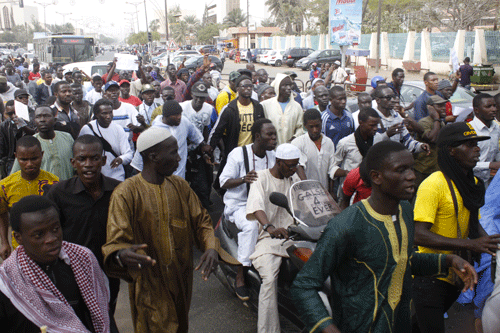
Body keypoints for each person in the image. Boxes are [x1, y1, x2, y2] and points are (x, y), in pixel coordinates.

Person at [290, 140, 477, 333]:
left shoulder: (404, 210)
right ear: (376, 177)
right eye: (401, 170)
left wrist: (449, 260)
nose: (412, 176)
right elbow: (304, 285)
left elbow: (400, 261)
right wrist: (328, 328)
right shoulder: (346, 226)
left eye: (412, 168)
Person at [102, 126, 238, 332]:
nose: (179, 157)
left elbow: (201, 221)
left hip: (181, 279)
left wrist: (211, 247)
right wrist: (121, 254)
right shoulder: (126, 193)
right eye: (173, 152)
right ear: (153, 156)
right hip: (149, 282)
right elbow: (116, 239)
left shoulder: (180, 186)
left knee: (179, 324)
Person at [413, 122, 500, 333]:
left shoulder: (471, 183)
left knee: (418, 327)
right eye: (469, 145)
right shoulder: (434, 184)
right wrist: (470, 244)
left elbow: (473, 221)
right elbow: (418, 235)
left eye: (476, 144)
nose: (477, 149)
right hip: (431, 278)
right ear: (451, 150)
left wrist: (491, 244)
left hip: (456, 276)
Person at [0, 195, 116, 332]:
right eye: (39, 235)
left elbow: (102, 315)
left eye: (55, 229)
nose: (51, 239)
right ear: (18, 238)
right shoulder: (8, 282)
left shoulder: (84, 260)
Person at [46, 135, 121, 316]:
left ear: (103, 160)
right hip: (72, 272)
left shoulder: (119, 191)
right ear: (73, 162)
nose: (88, 164)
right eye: (82, 159)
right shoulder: (59, 193)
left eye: (94, 158)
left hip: (109, 271)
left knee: (106, 315)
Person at [246, 143, 302, 333]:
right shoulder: (260, 178)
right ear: (278, 162)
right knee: (269, 278)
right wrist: (269, 227)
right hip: (268, 239)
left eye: (296, 165)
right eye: (290, 165)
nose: (294, 169)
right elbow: (256, 206)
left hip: (294, 237)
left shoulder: (292, 178)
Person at [220, 118, 277, 301]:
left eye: (275, 134)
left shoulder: (272, 156)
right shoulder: (238, 154)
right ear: (258, 136)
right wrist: (244, 179)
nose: (274, 138)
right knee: (252, 227)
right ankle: (241, 274)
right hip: (240, 204)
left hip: (263, 205)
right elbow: (223, 182)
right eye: (270, 135)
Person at [0, 136, 59, 259]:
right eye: (23, 159)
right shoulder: (5, 186)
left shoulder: (55, 183)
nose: (30, 164)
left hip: (49, 248)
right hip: (20, 249)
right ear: (16, 157)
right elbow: (2, 213)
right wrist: (4, 242)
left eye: (34, 158)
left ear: (42, 155)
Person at [208, 75, 265, 191]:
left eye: (250, 86)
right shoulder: (230, 108)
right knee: (230, 182)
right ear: (238, 89)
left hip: (252, 152)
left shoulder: (258, 107)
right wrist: (209, 150)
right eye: (244, 86)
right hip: (235, 151)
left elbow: (263, 128)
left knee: (252, 182)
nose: (248, 89)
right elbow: (217, 131)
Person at [130, 100, 207, 179]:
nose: (179, 117)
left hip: (179, 180)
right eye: (176, 115)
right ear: (166, 116)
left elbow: (197, 137)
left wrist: (204, 146)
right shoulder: (152, 133)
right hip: (159, 183)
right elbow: (138, 165)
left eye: (180, 114)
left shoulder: (184, 122)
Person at [331, 108, 385, 198]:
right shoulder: (345, 143)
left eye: (376, 125)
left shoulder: (378, 138)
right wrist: (347, 174)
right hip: (351, 193)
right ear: (361, 122)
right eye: (372, 125)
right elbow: (333, 167)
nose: (375, 128)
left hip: (372, 191)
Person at [10, 106, 74, 181]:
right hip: (41, 190)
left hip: (67, 189)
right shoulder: (30, 143)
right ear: (34, 121)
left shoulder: (67, 137)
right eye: (38, 117)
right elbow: (15, 174)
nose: (42, 120)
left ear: (55, 120)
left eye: (46, 116)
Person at [79, 99, 133, 182]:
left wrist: (121, 159)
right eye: (104, 113)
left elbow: (128, 154)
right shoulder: (87, 129)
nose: (108, 116)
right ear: (96, 114)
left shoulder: (118, 129)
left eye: (110, 112)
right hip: (95, 177)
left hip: (116, 176)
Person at [374, 86, 430, 154]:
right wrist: (387, 135)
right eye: (388, 97)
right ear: (378, 100)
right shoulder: (372, 118)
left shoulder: (397, 117)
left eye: (393, 97)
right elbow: (368, 145)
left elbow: (407, 142)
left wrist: (421, 146)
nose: (392, 100)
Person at [291, 109, 335, 190]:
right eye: (311, 127)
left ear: (321, 123)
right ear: (305, 125)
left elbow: (331, 169)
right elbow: (299, 166)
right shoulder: (297, 143)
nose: (315, 130)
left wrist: (331, 191)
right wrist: (309, 189)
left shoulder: (329, 142)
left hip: (324, 190)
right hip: (305, 191)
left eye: (317, 126)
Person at [413, 94, 449, 189]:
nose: (443, 108)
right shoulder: (424, 122)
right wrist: (436, 118)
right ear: (430, 108)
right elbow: (432, 139)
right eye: (439, 106)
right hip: (423, 169)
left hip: (436, 168)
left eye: (443, 105)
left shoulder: (440, 122)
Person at [262, 73, 304, 145]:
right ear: (278, 87)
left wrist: (295, 137)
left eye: (290, 85)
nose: (288, 88)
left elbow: (300, 127)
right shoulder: (265, 105)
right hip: (270, 149)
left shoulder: (297, 107)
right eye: (285, 85)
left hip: (290, 148)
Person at [469, 93, 500, 188]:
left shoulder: (496, 128)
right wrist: (490, 165)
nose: (494, 109)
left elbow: (495, 151)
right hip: (469, 181)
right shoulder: (469, 129)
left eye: (494, 106)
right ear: (476, 110)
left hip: (486, 182)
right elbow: (466, 162)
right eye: (488, 106)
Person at [0, 101, 34, 177]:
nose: (13, 115)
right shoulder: (4, 125)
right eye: (10, 114)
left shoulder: (29, 121)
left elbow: (35, 135)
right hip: (12, 160)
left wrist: (23, 126)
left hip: (30, 157)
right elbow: (2, 147)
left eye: (15, 112)